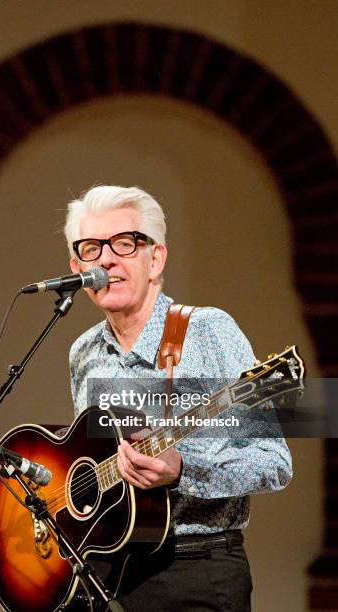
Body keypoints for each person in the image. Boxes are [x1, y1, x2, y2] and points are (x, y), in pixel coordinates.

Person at [65, 185, 292, 611]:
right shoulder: (84, 352)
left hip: (195, 570)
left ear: (156, 259)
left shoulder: (208, 331)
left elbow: (275, 465)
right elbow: (93, 463)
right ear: (77, 266)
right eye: (92, 248)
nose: (107, 259)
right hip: (106, 573)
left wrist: (183, 470)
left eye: (125, 243)